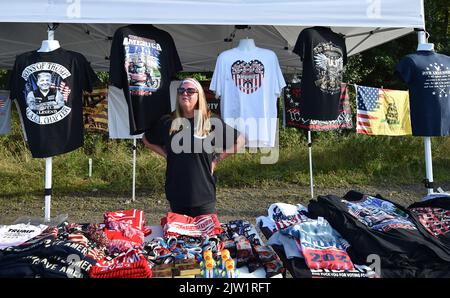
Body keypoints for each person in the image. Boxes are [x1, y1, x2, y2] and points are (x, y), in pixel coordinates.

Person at [143, 78, 245, 217]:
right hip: (177, 192)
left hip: (203, 193)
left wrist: (217, 159)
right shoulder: (168, 121)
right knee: (179, 236)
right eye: (181, 91)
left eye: (190, 91)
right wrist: (167, 155)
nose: (185, 93)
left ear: (199, 96)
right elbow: (147, 139)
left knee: (206, 237)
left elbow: (240, 140)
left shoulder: (211, 121)